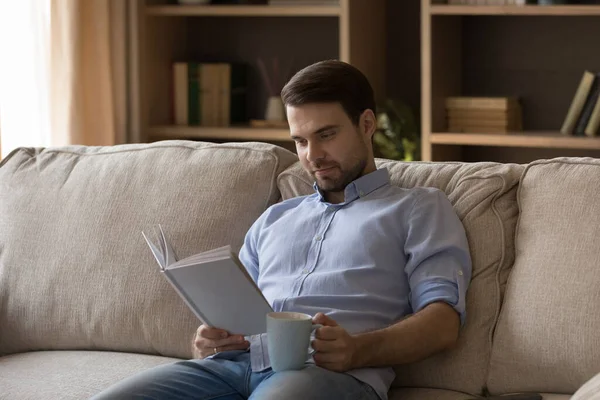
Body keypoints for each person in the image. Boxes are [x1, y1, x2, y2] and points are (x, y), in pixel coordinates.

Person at [91, 60, 472, 400]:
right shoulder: (274, 219)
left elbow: (443, 323)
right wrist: (209, 341)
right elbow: (238, 312)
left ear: (367, 124)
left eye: (326, 135)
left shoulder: (419, 207)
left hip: (330, 376)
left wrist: (357, 350)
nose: (312, 155)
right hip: (231, 368)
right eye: (300, 141)